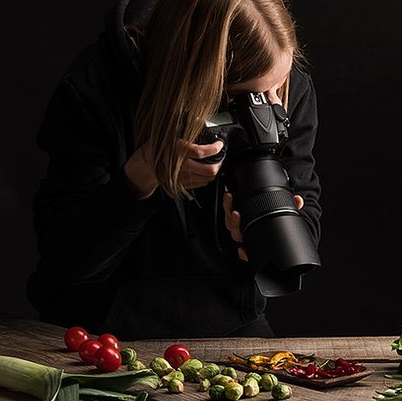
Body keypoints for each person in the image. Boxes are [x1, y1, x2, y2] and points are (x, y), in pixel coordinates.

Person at [27, 0, 321, 340]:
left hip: (229, 316)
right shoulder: (95, 86)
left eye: (276, 89)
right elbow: (66, 259)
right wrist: (141, 177)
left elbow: (304, 209)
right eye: (245, 99)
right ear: (197, 81)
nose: (268, 107)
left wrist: (254, 232)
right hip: (98, 326)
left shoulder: (285, 85)